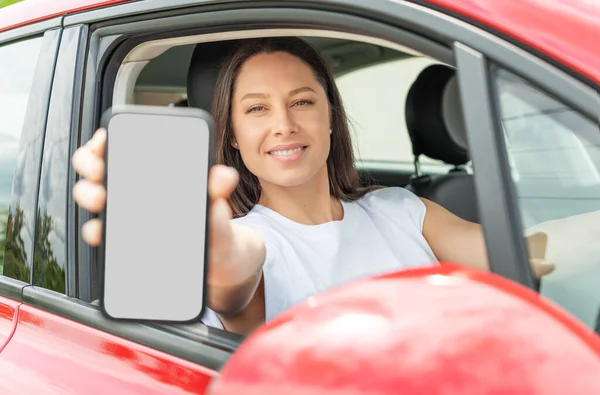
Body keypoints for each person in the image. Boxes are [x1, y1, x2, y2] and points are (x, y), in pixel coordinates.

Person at [71, 37, 554, 336]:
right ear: (234, 136)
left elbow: (527, 252)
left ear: (329, 118)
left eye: (302, 101)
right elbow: (234, 282)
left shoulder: (401, 210)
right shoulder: (253, 240)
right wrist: (209, 242)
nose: (283, 124)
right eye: (257, 109)